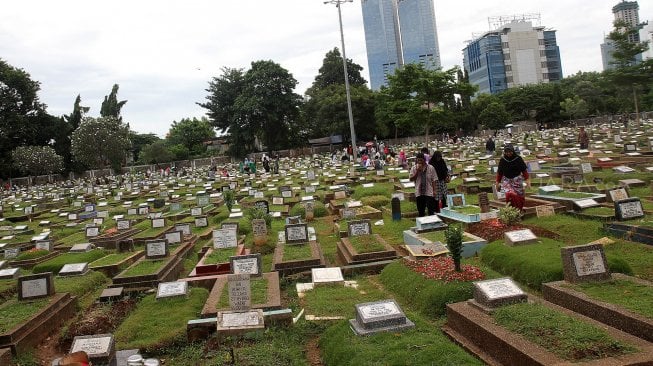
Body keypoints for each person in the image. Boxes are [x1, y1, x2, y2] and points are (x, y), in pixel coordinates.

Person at [495, 145, 529, 211]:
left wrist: (527, 180)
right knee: (509, 194)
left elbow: (524, 170)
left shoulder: (518, 159)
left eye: (510, 152)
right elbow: (500, 172)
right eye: (506, 152)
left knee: (519, 196)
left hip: (517, 180)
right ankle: (511, 210)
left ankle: (519, 210)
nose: (508, 153)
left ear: (513, 151)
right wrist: (497, 182)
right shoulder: (503, 160)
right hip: (507, 181)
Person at [409, 153, 438, 217]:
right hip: (419, 193)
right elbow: (411, 179)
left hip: (429, 192)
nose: (419, 162)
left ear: (424, 160)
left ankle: (431, 223)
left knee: (431, 210)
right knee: (421, 211)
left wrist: (435, 190)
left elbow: (434, 180)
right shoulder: (414, 168)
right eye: (418, 160)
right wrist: (417, 171)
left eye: (421, 160)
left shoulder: (430, 168)